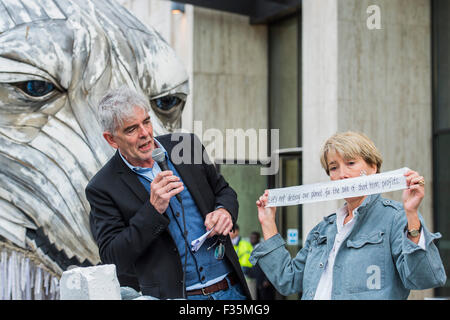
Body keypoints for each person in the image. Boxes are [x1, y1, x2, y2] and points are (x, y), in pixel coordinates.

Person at [85, 87, 251, 300]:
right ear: (111, 139)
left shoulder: (186, 146)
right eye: (131, 129)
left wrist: (224, 211)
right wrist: (152, 210)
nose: (145, 133)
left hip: (232, 289)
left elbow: (224, 191)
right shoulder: (102, 186)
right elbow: (113, 256)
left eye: (146, 121)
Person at [250, 131, 447, 299]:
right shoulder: (323, 230)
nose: (342, 174)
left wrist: (412, 214)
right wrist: (268, 223)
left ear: (373, 167)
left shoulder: (396, 218)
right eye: (334, 167)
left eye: (351, 163)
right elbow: (288, 280)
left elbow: (426, 278)